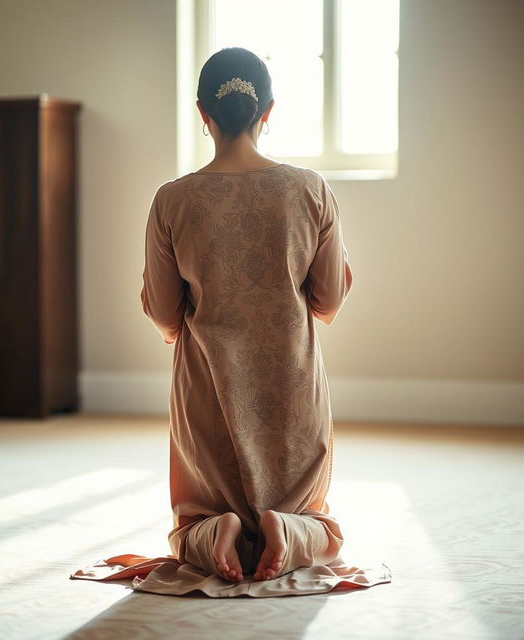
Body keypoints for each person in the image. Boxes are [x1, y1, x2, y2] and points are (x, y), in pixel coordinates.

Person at [70, 47, 391, 597]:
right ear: (268, 112)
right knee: (326, 529)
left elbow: (166, 312)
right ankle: (287, 532)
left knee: (187, 527)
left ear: (203, 114)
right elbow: (330, 298)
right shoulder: (311, 190)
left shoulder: (172, 200)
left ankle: (212, 531)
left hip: (207, 396)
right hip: (292, 392)